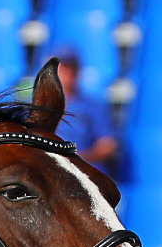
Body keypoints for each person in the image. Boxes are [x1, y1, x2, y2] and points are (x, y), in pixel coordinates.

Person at [51, 45, 122, 176]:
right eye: (61, 68)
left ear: (78, 71)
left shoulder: (93, 106)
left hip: (84, 171)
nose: (66, 73)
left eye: (70, 68)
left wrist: (78, 159)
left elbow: (108, 144)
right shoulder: (36, 106)